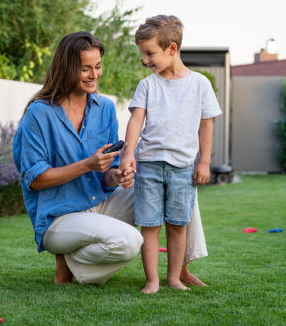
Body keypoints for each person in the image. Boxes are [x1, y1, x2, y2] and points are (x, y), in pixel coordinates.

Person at [13, 31, 209, 286]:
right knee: (129, 242)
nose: (94, 75)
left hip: (100, 204)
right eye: (85, 69)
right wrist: (87, 165)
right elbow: (36, 180)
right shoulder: (39, 114)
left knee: (177, 184)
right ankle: (71, 261)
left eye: (97, 67)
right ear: (66, 68)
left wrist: (116, 175)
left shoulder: (104, 108)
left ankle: (181, 269)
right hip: (58, 218)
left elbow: (107, 175)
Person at [120, 15, 222, 293]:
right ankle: (152, 280)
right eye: (144, 54)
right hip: (149, 165)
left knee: (178, 225)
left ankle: (174, 277)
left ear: (172, 49)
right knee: (150, 226)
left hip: (182, 168)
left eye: (150, 53)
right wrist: (129, 153)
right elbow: (136, 121)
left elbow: (206, 124)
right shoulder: (148, 85)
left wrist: (204, 162)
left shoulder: (200, 84)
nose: (146, 60)